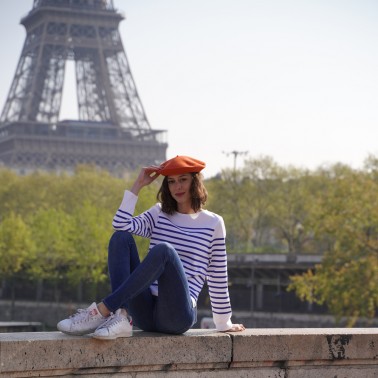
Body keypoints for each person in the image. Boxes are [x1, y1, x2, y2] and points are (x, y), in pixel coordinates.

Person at [57, 155, 245, 339]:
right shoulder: (159, 213)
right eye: (171, 181)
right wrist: (138, 184)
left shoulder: (213, 223)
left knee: (164, 251)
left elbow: (218, 274)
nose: (177, 187)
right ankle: (120, 316)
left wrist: (223, 323)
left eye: (183, 180)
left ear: (195, 182)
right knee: (120, 238)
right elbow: (120, 225)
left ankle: (103, 310)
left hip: (177, 315)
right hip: (144, 313)